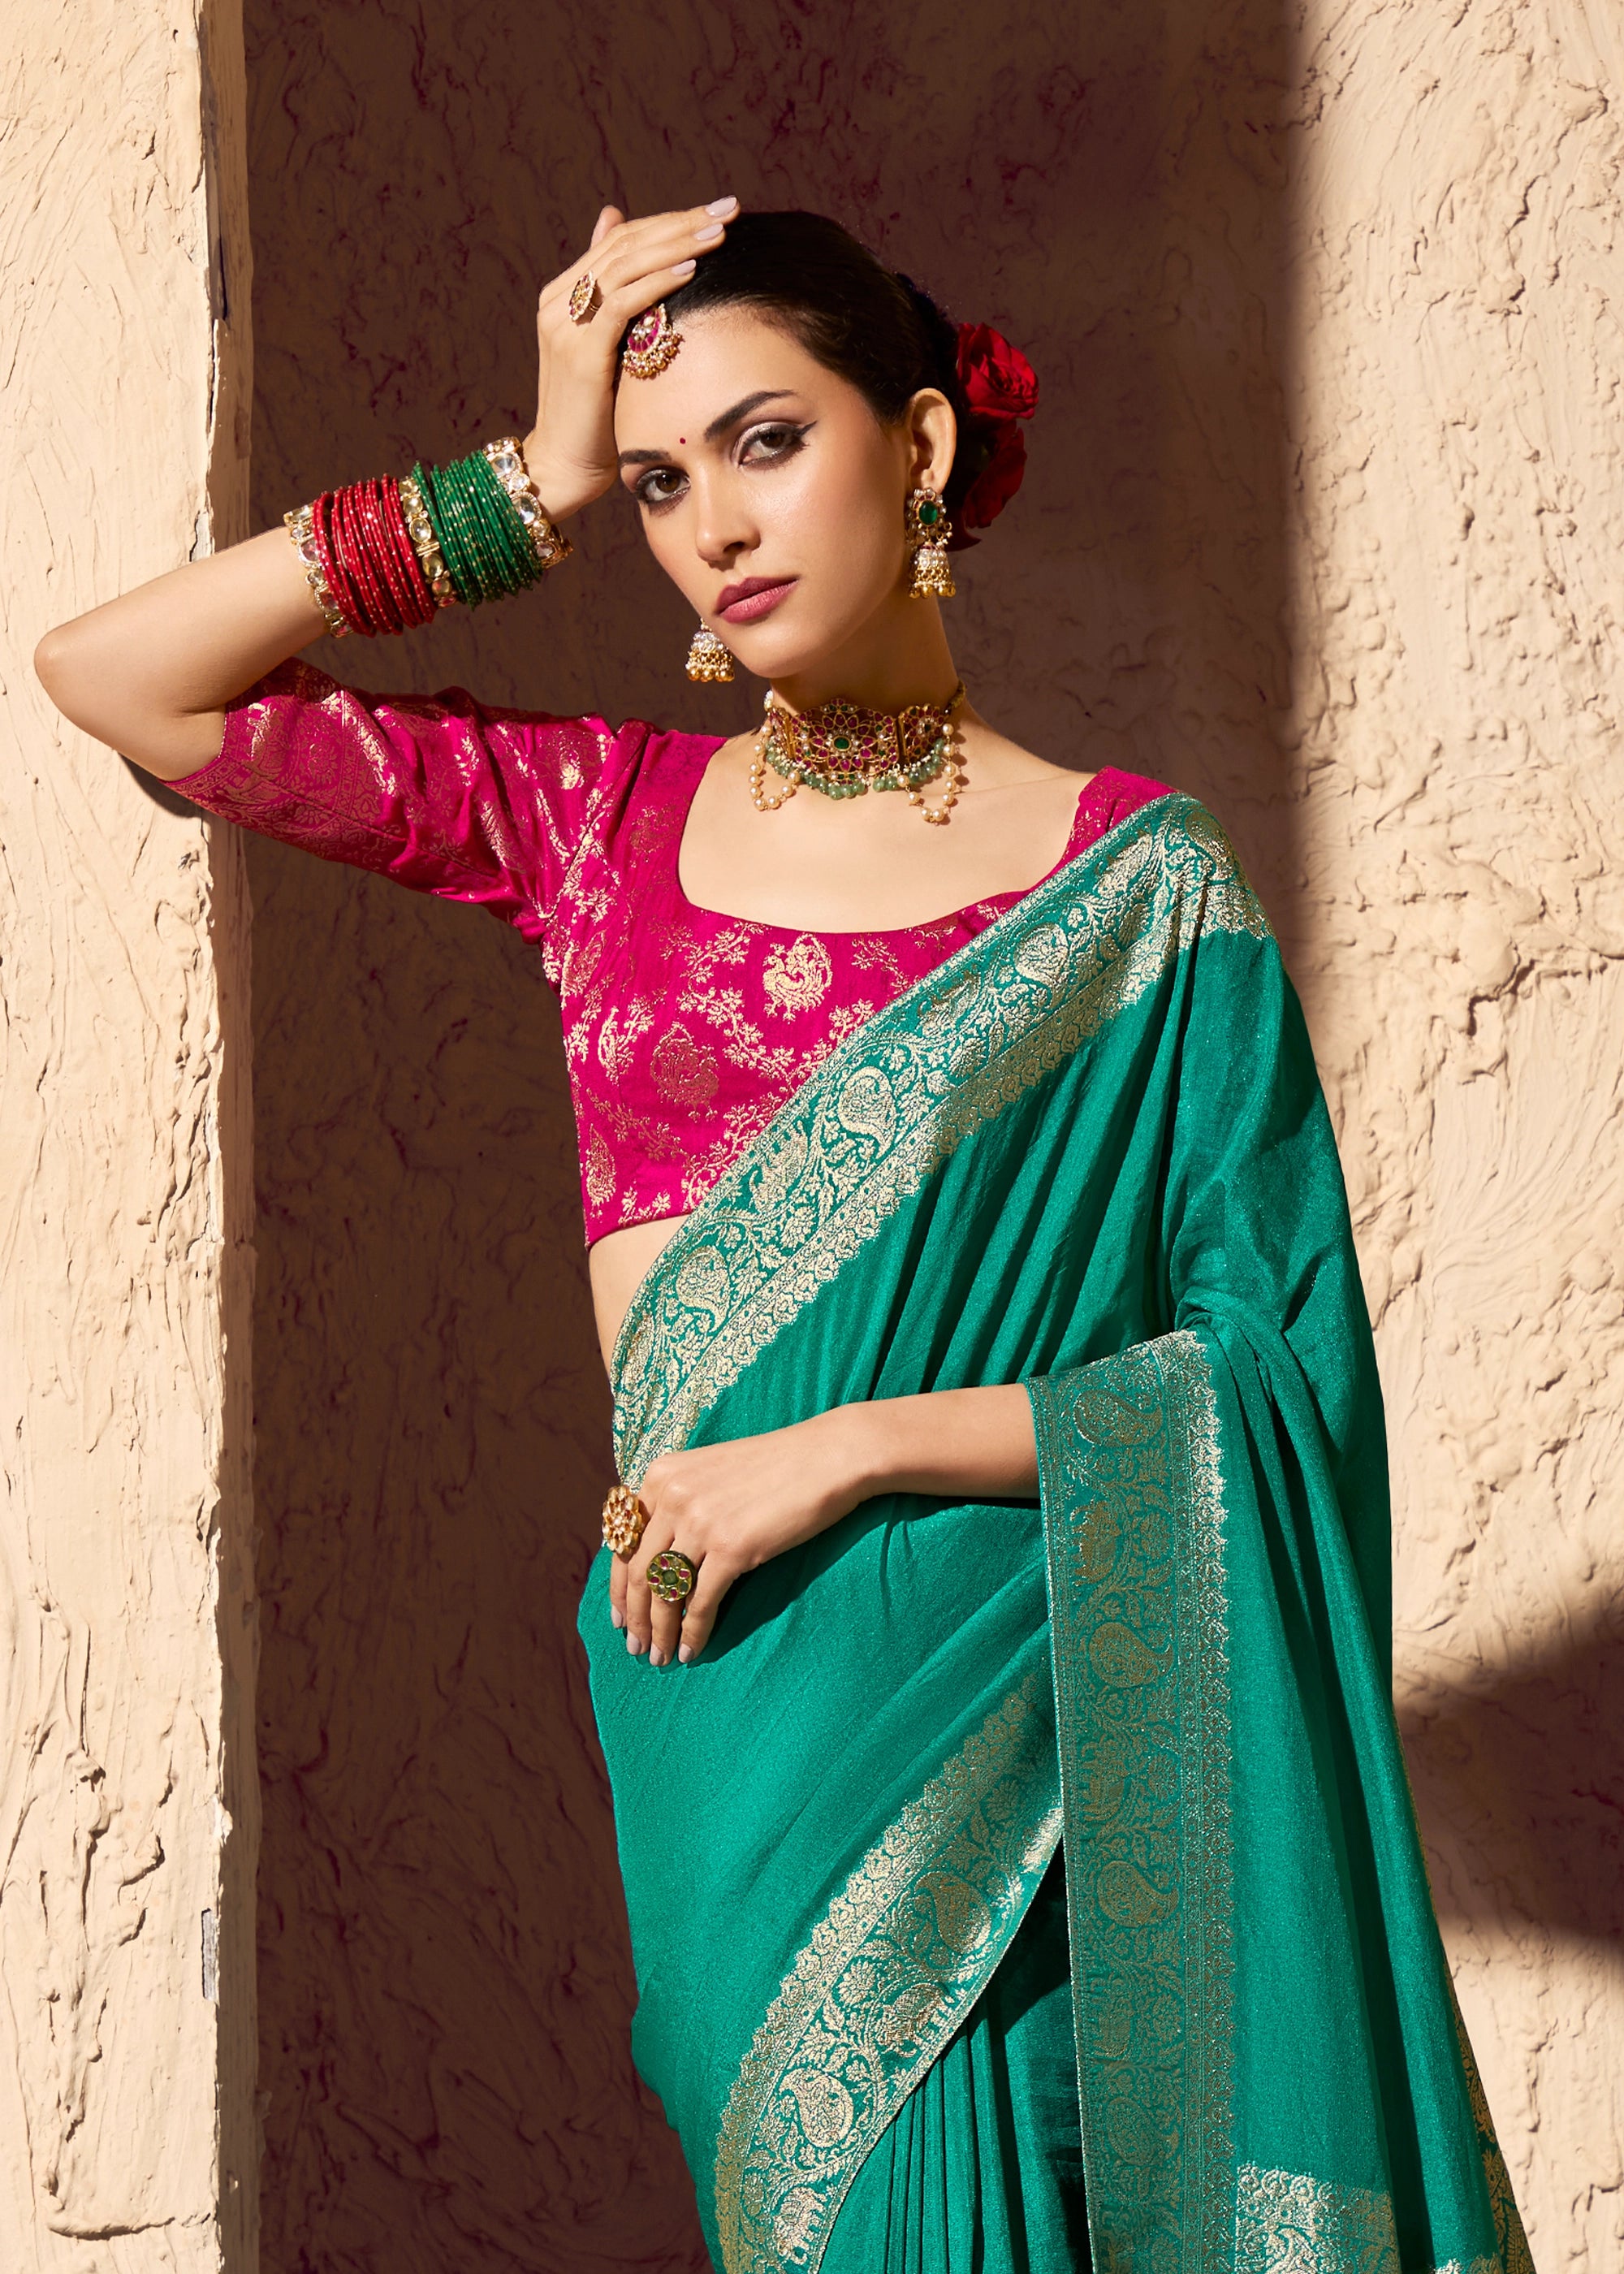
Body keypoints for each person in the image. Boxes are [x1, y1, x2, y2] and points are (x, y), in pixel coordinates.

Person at [36, 200, 1532, 2274]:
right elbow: (118, 676)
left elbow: (1271, 1378)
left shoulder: (1142, 896)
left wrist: (851, 1445)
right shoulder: (597, 828)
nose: (713, 526)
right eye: (662, 482)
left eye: (763, 442)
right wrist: (525, 479)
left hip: (1020, 1718)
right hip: (735, 1720)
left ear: (916, 444)